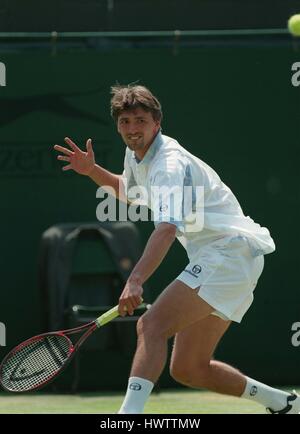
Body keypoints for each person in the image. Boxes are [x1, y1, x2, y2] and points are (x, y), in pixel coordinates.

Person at [54, 84, 299, 414]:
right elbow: (131, 192)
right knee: (189, 368)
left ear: (157, 122)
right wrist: (93, 171)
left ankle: (126, 419)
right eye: (125, 122)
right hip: (230, 258)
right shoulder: (138, 154)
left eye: (140, 120)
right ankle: (283, 403)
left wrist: (135, 280)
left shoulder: (169, 164)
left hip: (228, 252)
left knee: (151, 326)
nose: (132, 129)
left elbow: (167, 228)